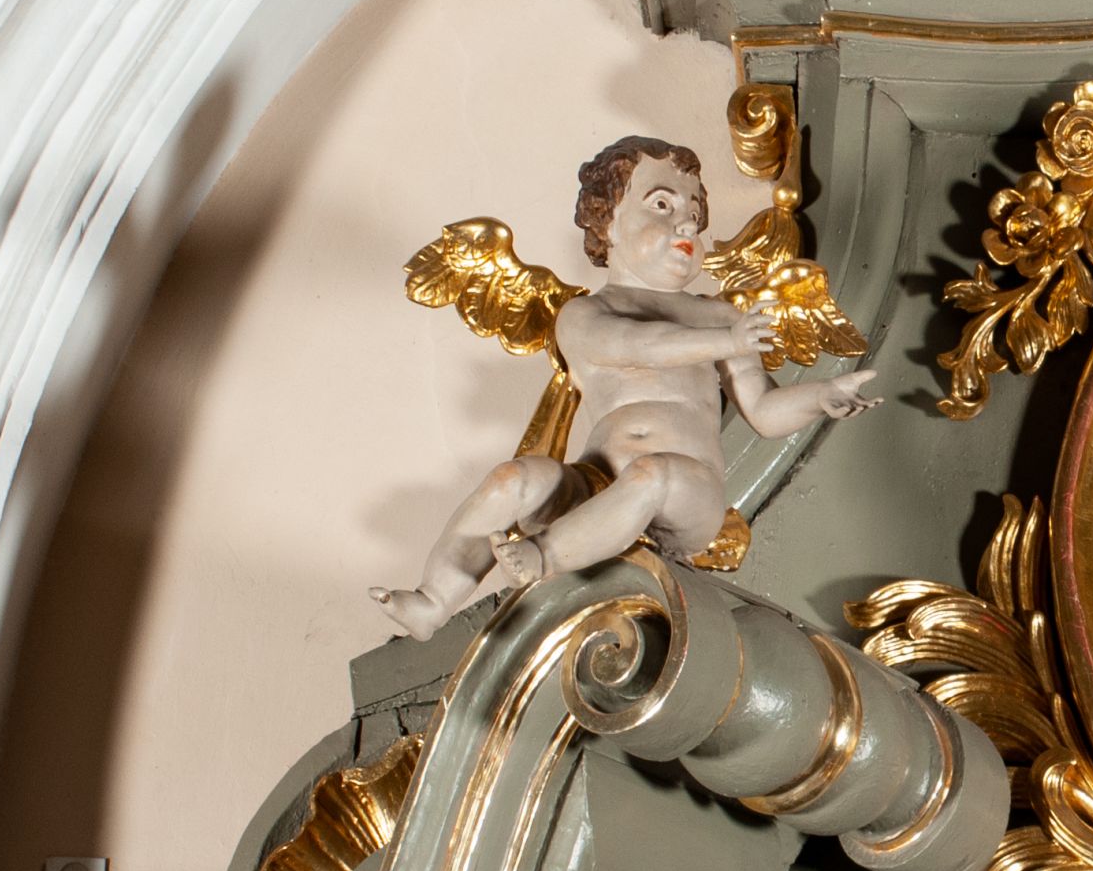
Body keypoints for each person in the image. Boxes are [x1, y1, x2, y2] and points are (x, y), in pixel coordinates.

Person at [371, 137, 876, 638]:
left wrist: (820, 397)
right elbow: (637, 345)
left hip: (688, 491)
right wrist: (727, 341)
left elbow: (764, 412)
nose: (687, 224)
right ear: (606, 222)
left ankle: (544, 557)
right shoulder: (585, 314)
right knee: (511, 480)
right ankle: (432, 601)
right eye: (663, 206)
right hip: (596, 484)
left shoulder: (720, 317)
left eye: (694, 215)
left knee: (651, 474)